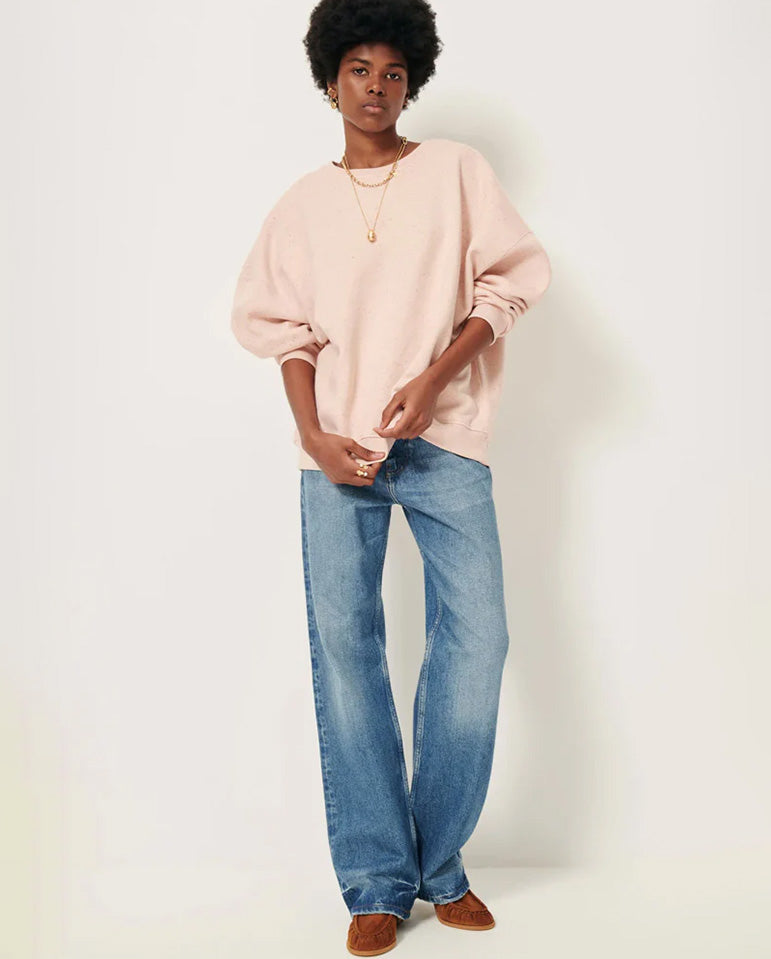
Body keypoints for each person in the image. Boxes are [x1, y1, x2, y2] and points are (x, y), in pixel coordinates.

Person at [230, 1, 551, 954]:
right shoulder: (300, 205)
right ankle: (377, 878)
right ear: (329, 79)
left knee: (478, 639)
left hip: (443, 441)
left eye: (393, 71)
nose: (376, 86)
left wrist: (434, 378)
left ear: (413, 79)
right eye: (358, 70)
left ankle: (439, 864)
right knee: (346, 655)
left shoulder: (454, 172)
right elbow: (286, 334)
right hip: (337, 455)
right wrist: (313, 433)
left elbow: (509, 282)